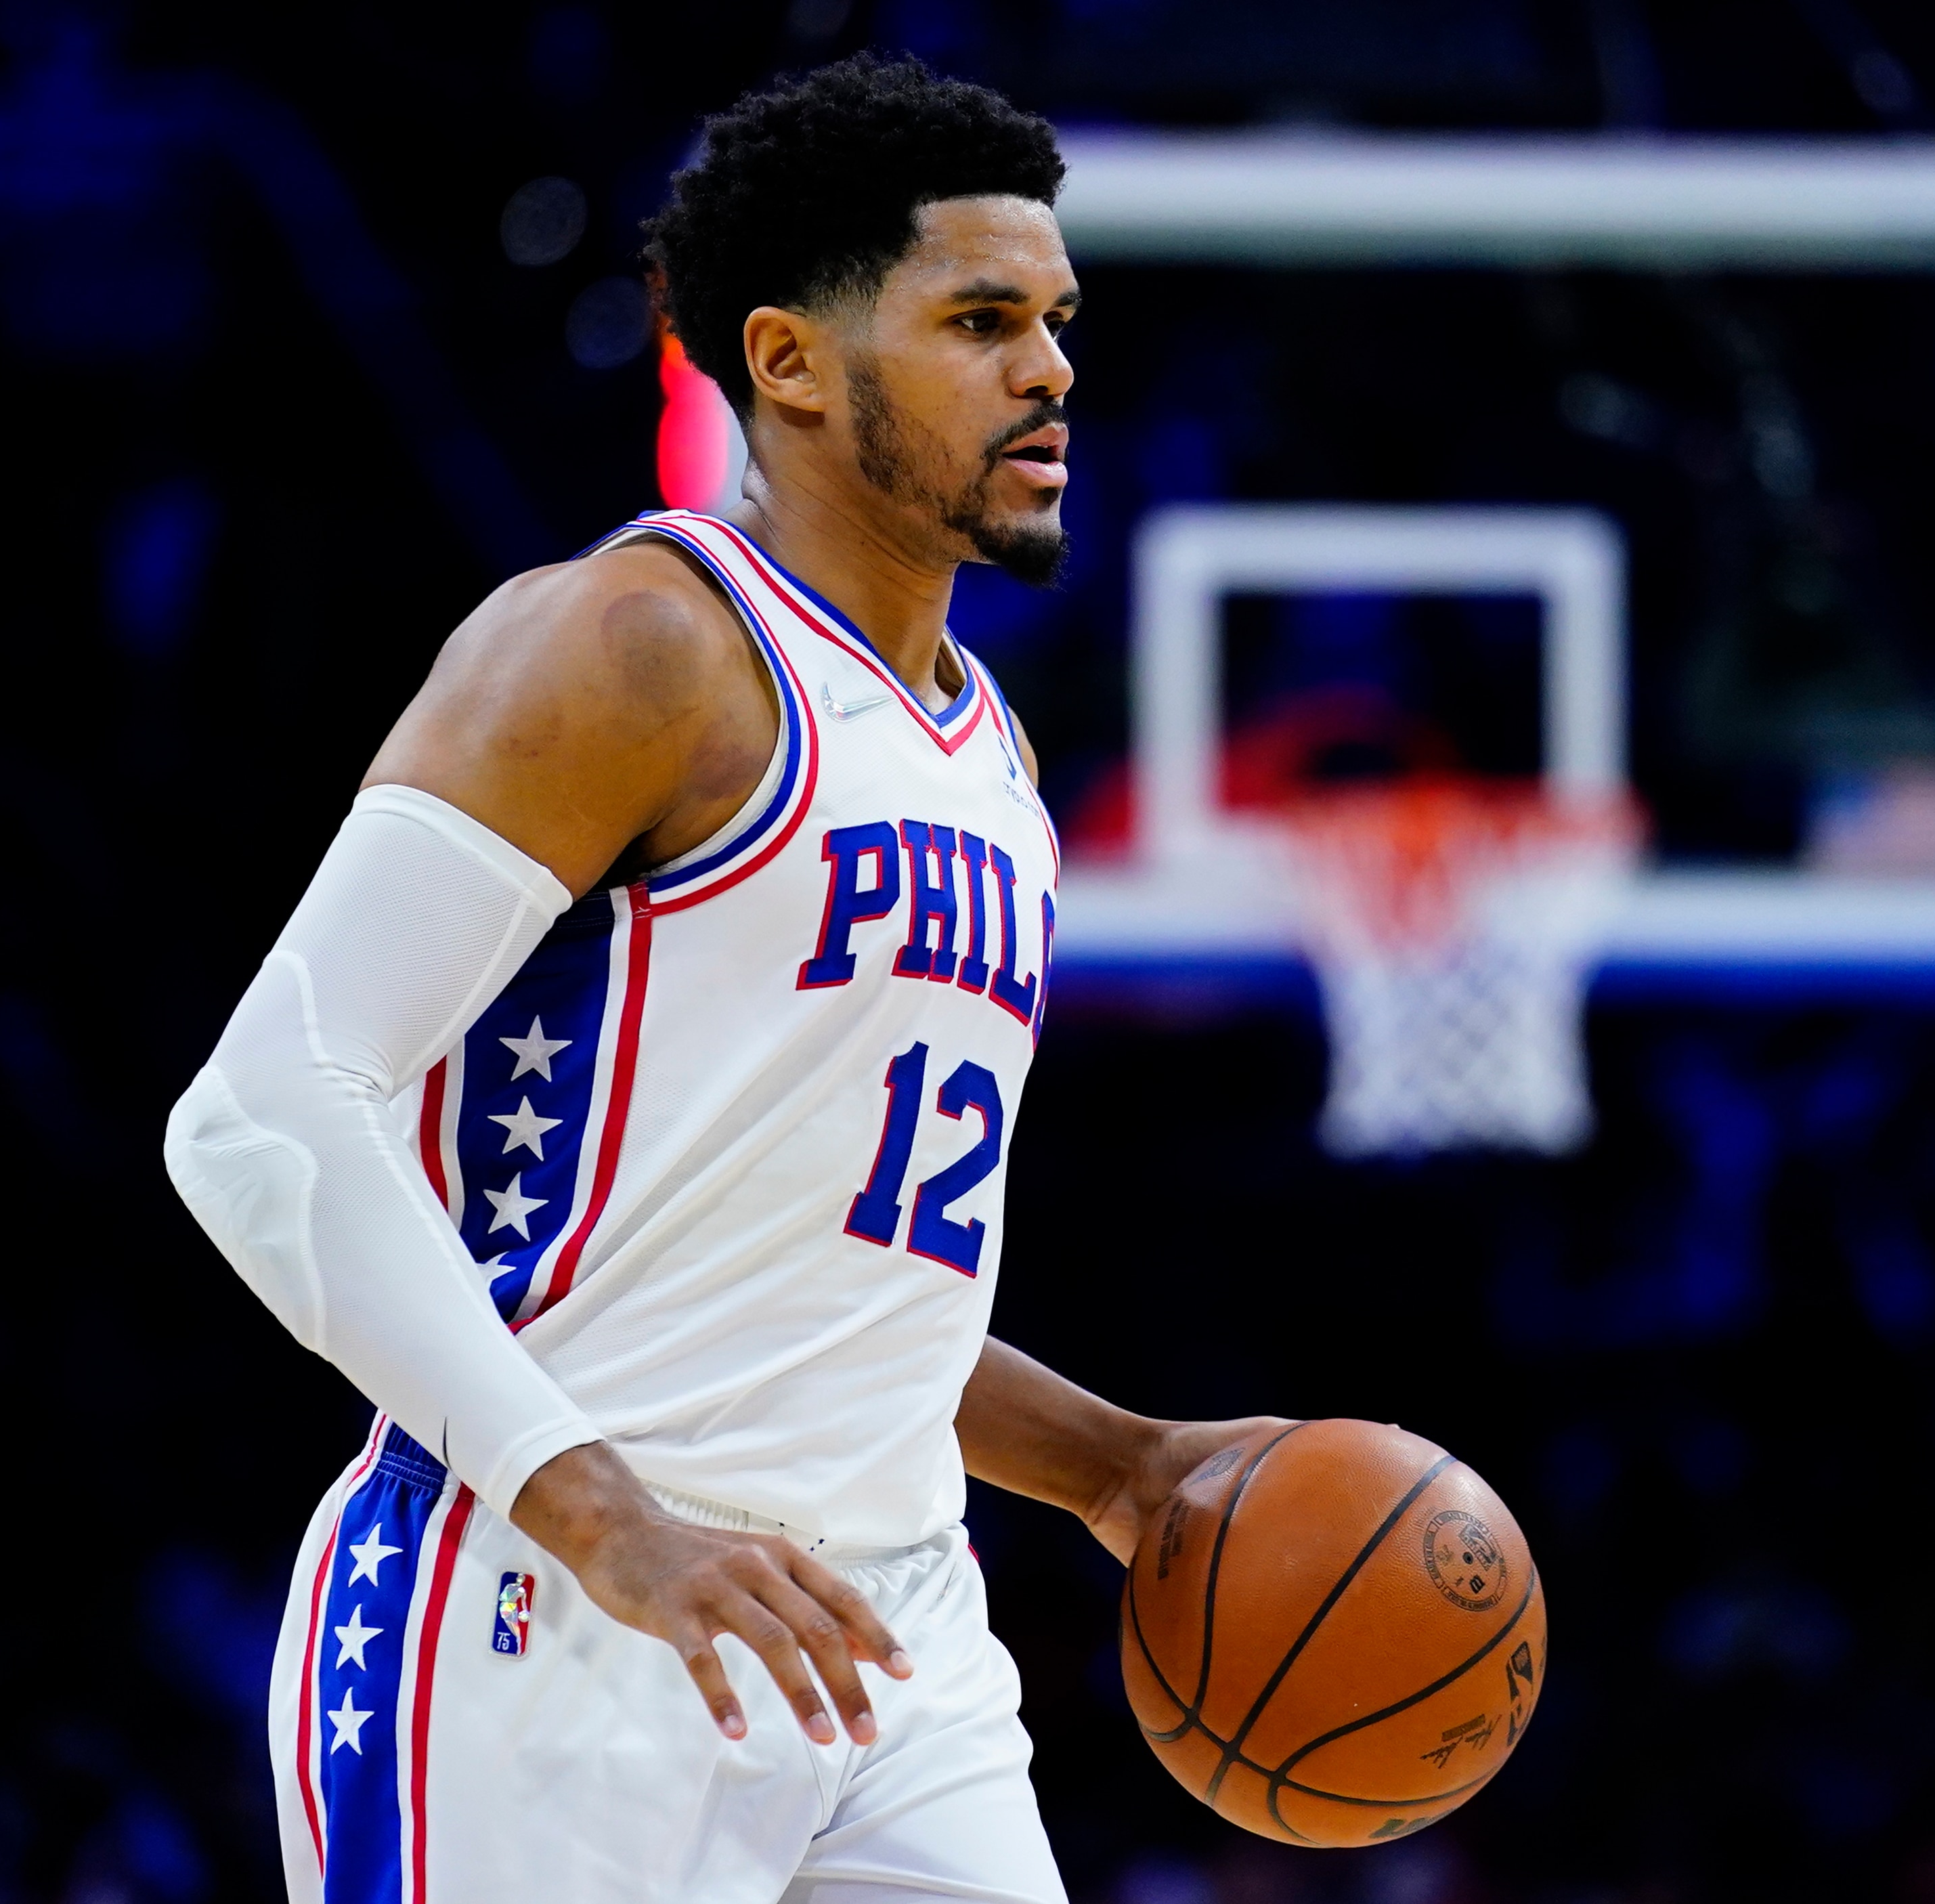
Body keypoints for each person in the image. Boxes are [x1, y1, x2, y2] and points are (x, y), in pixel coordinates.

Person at [166, 52, 1274, 1904]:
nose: (1051, 371)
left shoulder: (985, 753)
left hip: (893, 1634)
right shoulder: (632, 647)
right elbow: (260, 1114)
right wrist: (603, 1516)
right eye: (981, 321)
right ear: (788, 362)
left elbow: (821, 1277)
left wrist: (1117, 1466)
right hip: (549, 1622)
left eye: (1058, 323)